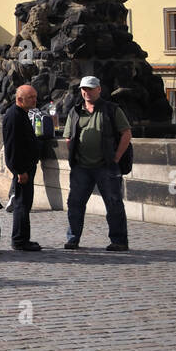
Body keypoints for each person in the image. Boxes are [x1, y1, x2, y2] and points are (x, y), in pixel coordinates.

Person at [63, 76, 131, 251]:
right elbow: (68, 137)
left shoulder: (111, 109)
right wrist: (73, 155)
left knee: (114, 203)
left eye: (91, 88)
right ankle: (73, 239)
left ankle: (119, 241)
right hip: (81, 167)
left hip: (106, 165)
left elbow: (126, 133)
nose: (87, 92)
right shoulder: (75, 111)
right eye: (84, 89)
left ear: (99, 89)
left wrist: (116, 158)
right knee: (75, 204)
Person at [2, 84, 43, 251]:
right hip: (22, 169)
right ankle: (19, 240)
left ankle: (23, 238)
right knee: (21, 204)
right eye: (31, 97)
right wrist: (19, 171)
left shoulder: (21, 114)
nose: (35, 100)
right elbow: (12, 147)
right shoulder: (14, 116)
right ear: (19, 99)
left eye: (35, 96)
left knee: (25, 203)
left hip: (26, 167)